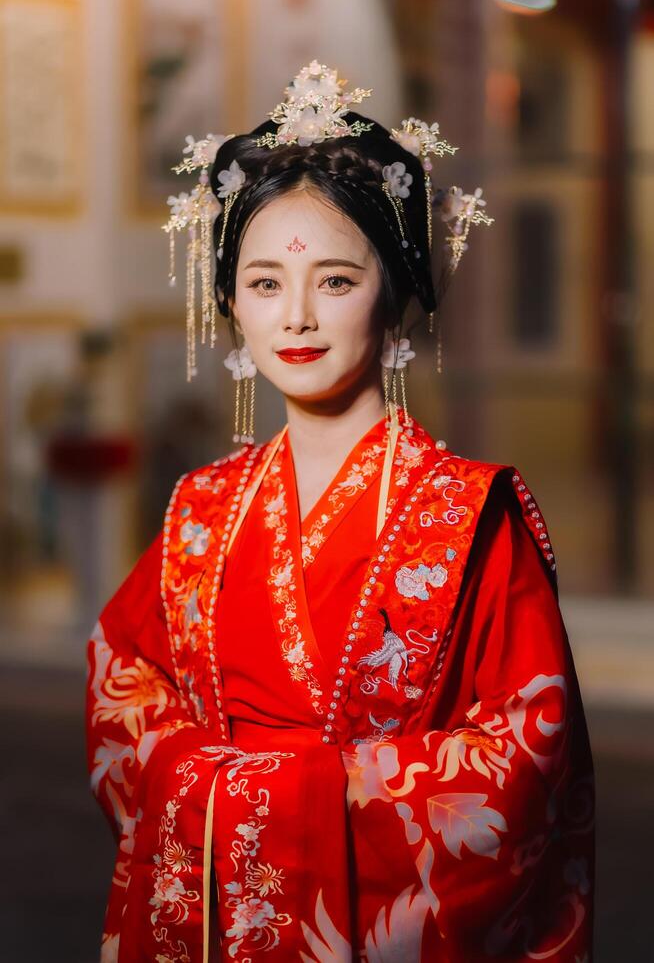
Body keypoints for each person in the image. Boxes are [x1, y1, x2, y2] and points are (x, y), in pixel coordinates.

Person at [86, 61, 595, 962]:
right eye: (266, 284)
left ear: (392, 294)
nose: (297, 319)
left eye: (334, 281)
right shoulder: (203, 509)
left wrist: (271, 790)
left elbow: (521, 762)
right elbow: (123, 684)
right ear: (231, 305)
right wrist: (203, 779)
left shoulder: (469, 514)